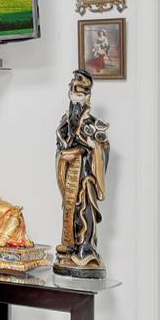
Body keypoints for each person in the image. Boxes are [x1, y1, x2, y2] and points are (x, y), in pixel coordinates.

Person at [54, 70, 110, 278]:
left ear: (88, 97)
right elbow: (60, 144)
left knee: (84, 208)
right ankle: (70, 244)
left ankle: (85, 248)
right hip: (69, 173)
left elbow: (100, 148)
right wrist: (64, 155)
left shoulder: (93, 124)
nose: (76, 98)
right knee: (69, 209)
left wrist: (83, 149)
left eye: (81, 94)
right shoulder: (65, 121)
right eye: (74, 94)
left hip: (85, 175)